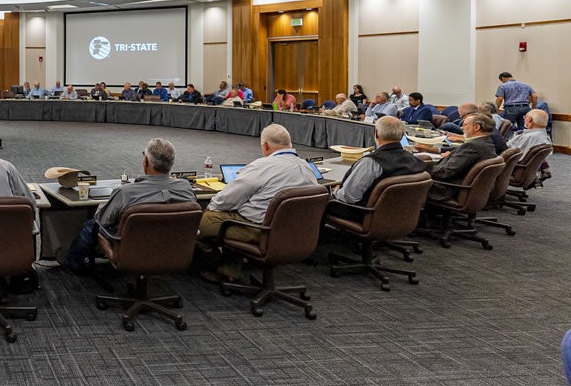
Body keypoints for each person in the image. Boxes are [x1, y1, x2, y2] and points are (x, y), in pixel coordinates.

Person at [197, 124, 318, 282]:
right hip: (295, 231)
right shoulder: (306, 168)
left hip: (261, 231)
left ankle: (217, 264)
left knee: (203, 219)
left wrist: (211, 209)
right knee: (234, 218)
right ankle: (229, 271)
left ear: (265, 146)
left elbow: (226, 199)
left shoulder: (262, 166)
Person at [63, 137, 195, 272]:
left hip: (133, 246)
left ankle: (73, 263)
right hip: (171, 247)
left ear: (145, 162)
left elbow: (103, 221)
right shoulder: (186, 188)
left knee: (91, 225)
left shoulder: (126, 192)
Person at [329, 117, 428, 222]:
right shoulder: (413, 159)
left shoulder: (371, 162)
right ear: (402, 135)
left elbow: (349, 197)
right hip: (401, 214)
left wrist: (336, 192)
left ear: (376, 134)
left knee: (321, 200)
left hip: (366, 214)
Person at [426, 113, 498, 201]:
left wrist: (423, 168)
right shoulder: (486, 142)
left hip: (447, 188)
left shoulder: (472, 146)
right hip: (461, 185)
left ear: (476, 127)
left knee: (409, 180)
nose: (461, 128)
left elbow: (446, 172)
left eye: (465, 125)